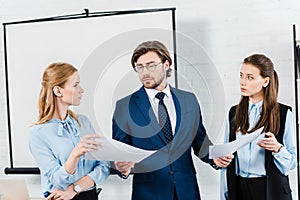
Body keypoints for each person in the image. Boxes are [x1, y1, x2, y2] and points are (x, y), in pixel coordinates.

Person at [112, 40, 232, 200]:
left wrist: (214, 157)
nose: (145, 72)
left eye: (151, 65)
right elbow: (118, 151)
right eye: (139, 67)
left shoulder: (189, 100)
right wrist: (119, 166)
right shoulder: (125, 106)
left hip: (187, 191)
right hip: (149, 193)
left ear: (166, 64)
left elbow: (200, 142)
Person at [217, 54, 297, 200]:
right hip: (239, 189)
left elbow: (291, 163)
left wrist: (277, 148)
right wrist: (224, 194)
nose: (243, 82)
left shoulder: (283, 113)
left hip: (271, 190)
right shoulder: (233, 113)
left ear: (265, 81)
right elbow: (227, 157)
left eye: (250, 77)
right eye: (241, 76)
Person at [28, 62, 110, 200]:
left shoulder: (83, 122)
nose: (81, 90)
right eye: (75, 85)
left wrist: (76, 188)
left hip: (89, 196)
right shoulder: (38, 133)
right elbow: (57, 181)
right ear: (58, 91)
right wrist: (75, 155)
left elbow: (104, 166)